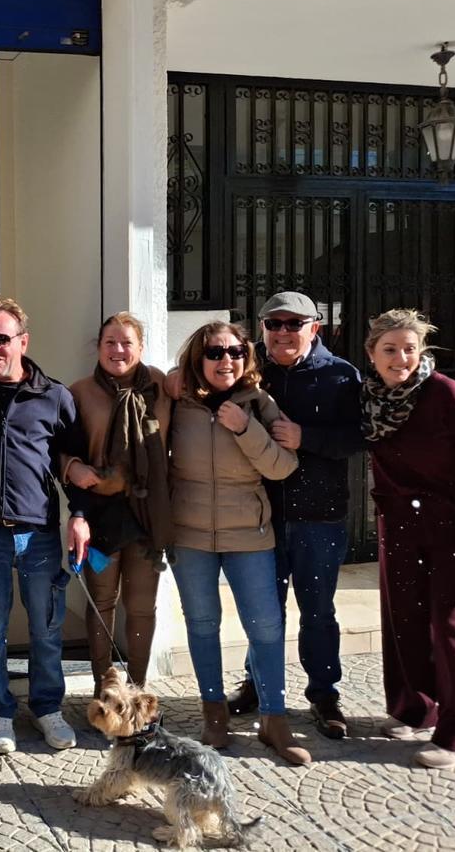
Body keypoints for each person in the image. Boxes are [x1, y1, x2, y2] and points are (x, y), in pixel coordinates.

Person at [0, 297, 91, 754]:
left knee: (47, 629)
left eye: (2, 340)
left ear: (23, 342)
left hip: (38, 532)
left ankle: (47, 708)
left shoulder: (55, 395)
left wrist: (80, 514)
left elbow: (74, 459)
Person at [168, 320, 309, 766]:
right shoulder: (177, 401)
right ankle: (214, 714)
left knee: (265, 626)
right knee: (203, 623)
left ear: (245, 357)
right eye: (214, 353)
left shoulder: (258, 403)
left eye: (233, 352)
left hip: (249, 534)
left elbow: (282, 468)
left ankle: (274, 719)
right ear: (198, 358)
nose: (225, 360)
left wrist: (245, 427)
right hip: (190, 534)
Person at [223, 292, 363, 740]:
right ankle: (257, 683)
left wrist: (307, 437)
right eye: (274, 323)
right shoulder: (249, 371)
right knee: (264, 610)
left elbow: (360, 438)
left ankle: (324, 693)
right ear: (262, 327)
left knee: (317, 611)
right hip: (261, 513)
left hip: (318, 516)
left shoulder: (341, 376)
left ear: (314, 327)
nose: (283, 332)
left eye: (293, 323)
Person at [362, 309, 455, 770]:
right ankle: (415, 708)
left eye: (409, 348)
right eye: (390, 349)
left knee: (452, 625)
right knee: (405, 619)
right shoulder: (372, 399)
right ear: (372, 354)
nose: (401, 358)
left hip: (454, 529)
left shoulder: (446, 394)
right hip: (399, 525)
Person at [63, 312, 172, 691]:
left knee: (142, 607)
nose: (118, 350)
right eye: (110, 342)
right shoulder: (78, 393)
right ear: (98, 346)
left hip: (147, 514)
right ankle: (105, 688)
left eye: (127, 342)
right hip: (101, 515)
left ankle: (138, 688)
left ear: (141, 347)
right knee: (102, 601)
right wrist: (72, 467)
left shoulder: (162, 385)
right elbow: (59, 447)